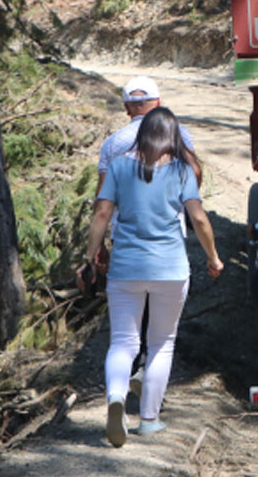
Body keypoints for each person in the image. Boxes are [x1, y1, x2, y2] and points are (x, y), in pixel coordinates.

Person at [78, 107, 224, 447]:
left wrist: (89, 257)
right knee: (161, 343)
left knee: (123, 342)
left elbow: (101, 213)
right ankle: (148, 420)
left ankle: (116, 396)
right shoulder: (181, 170)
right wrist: (213, 258)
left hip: (126, 268)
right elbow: (199, 219)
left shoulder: (118, 166)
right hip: (170, 269)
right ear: (172, 137)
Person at [96, 76, 200, 397]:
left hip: (126, 236)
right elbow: (195, 177)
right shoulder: (179, 134)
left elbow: (102, 199)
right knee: (162, 322)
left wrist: (97, 246)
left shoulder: (113, 143)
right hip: (167, 237)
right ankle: (147, 384)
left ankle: (128, 375)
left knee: (129, 314)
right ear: (158, 103)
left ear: (128, 107)